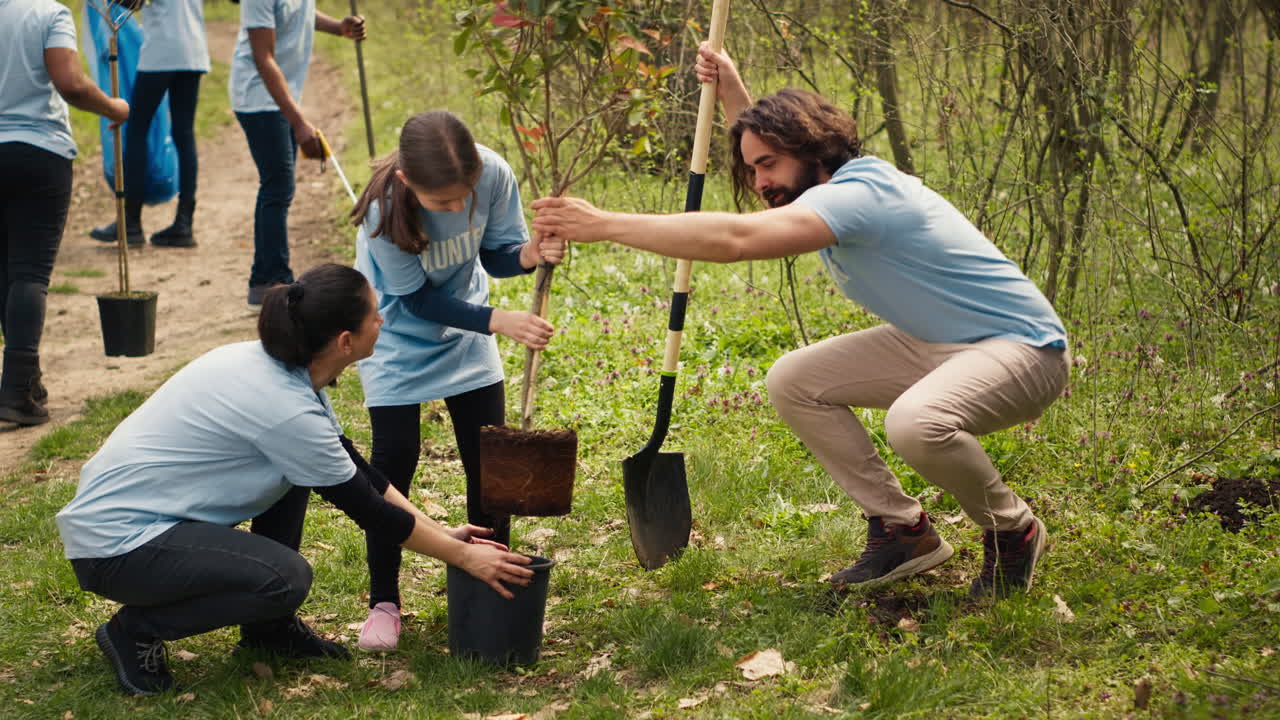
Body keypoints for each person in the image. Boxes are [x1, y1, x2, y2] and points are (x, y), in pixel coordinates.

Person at [531, 45, 1070, 600]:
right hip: (938, 344)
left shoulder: (862, 194)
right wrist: (736, 91)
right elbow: (780, 170)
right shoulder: (824, 185)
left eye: (767, 165)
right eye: (751, 166)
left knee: (916, 423)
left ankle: (1012, 529)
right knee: (795, 379)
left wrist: (605, 223)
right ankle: (903, 532)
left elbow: (738, 240)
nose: (759, 181)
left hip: (1024, 351)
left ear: (816, 151)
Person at [55, 263, 534, 696]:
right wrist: (464, 557)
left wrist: (441, 531)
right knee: (285, 578)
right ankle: (136, 630)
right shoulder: (282, 407)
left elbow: (356, 471)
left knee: (297, 472)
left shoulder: (282, 370)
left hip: (144, 527)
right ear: (345, 341)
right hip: (119, 548)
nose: (383, 320)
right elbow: (367, 509)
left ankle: (269, 630)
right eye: (373, 313)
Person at [349, 110, 565, 651]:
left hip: (465, 330)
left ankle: (490, 584)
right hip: (394, 335)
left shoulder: (491, 174)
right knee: (393, 464)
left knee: (492, 468)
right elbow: (418, 299)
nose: (455, 209)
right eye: (441, 203)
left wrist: (529, 255)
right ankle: (384, 603)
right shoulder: (382, 209)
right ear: (406, 182)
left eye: (462, 197)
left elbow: (494, 255)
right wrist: (499, 320)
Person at [0, 0, 130, 426]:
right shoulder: (48, 14)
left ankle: (24, 384)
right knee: (28, 273)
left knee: (6, 272)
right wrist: (114, 108)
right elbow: (71, 84)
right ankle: (18, 392)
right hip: (39, 152)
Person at [230, 0, 366, 306]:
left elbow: (298, 10)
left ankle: (265, 278)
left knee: (278, 187)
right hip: (258, 96)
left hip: (281, 95)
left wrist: (338, 27)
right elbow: (263, 57)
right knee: (277, 187)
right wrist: (298, 121)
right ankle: (272, 282)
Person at [89, 0, 209, 248]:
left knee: (136, 130)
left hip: (161, 52)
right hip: (193, 50)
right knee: (184, 133)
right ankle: (184, 223)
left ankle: (131, 223)